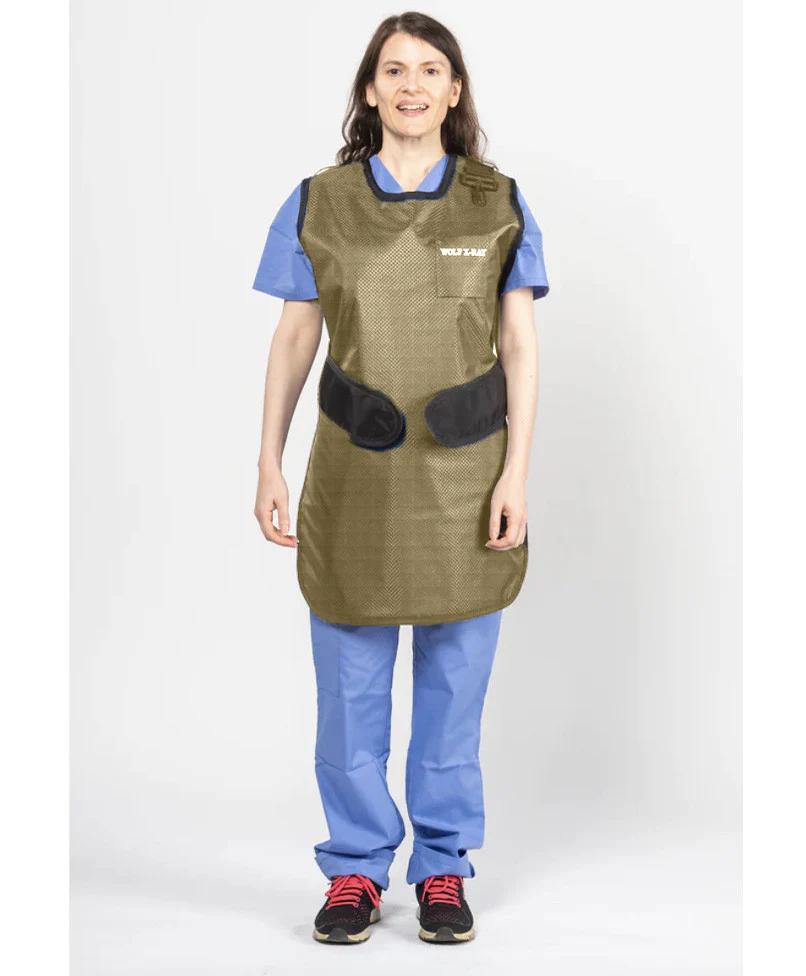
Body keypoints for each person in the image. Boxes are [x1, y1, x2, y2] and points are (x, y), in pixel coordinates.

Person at [252, 12, 549, 946]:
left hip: (466, 480)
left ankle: (443, 870)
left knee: (453, 696)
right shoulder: (320, 202)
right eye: (392, 70)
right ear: (370, 91)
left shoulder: (497, 203)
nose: (411, 84)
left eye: (429, 69)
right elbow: (295, 338)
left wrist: (517, 475)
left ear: (454, 91)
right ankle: (354, 869)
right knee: (349, 696)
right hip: (357, 478)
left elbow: (519, 346)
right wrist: (267, 459)